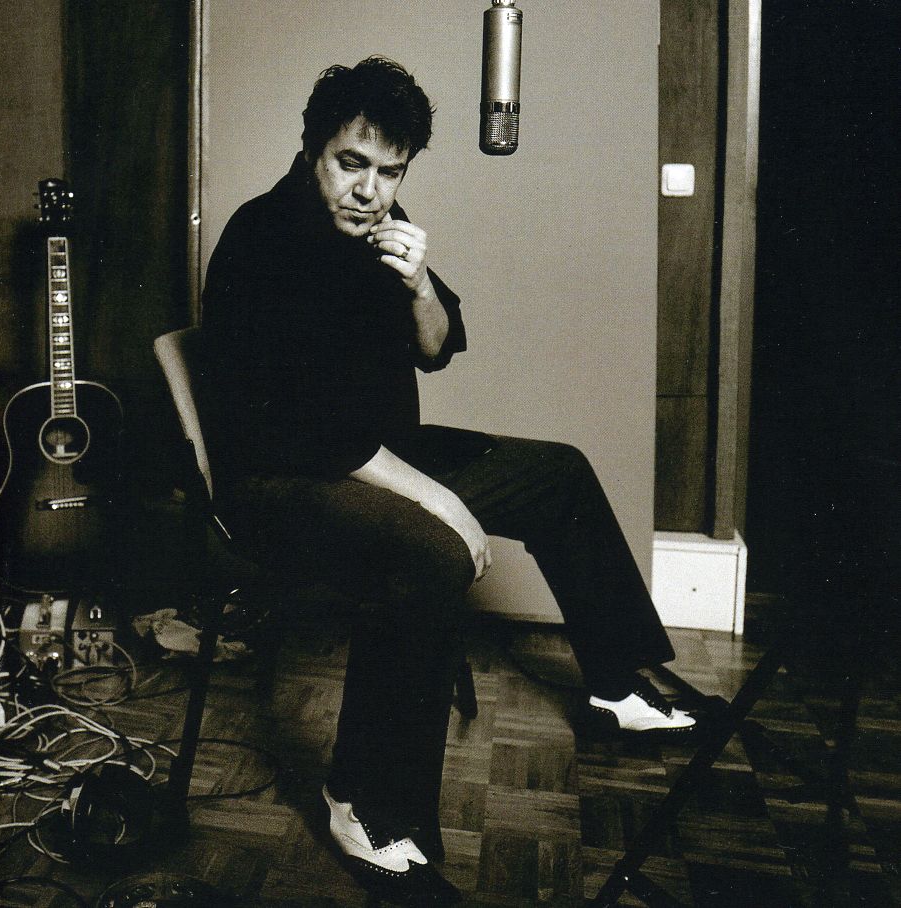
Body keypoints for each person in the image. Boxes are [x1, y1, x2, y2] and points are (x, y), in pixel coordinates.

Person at [200, 56, 696, 905]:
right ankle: (363, 803)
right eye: (350, 164)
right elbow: (305, 432)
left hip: (374, 458)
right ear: (311, 149)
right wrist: (444, 503)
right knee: (432, 551)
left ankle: (615, 684)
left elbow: (437, 346)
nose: (369, 191)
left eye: (389, 172)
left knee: (558, 473)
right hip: (280, 482)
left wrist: (419, 281)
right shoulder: (264, 239)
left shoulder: (379, 229)